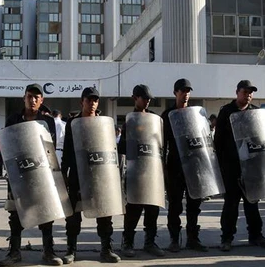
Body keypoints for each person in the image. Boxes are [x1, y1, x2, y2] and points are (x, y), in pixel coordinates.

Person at [0, 83, 62, 266]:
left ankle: (48, 251)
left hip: (41, 172)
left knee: (46, 212)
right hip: (17, 173)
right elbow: (6, 147)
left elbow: (50, 148)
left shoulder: (47, 121)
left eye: (37, 97)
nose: (33, 100)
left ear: (41, 100)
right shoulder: (13, 120)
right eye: (29, 96)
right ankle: (14, 252)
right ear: (24, 98)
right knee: (16, 214)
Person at [61, 87, 121, 264]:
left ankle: (106, 249)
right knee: (72, 215)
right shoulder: (72, 123)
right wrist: (64, 173)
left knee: (104, 212)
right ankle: (71, 250)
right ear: (82, 102)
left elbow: (110, 149)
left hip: (100, 173)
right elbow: (67, 151)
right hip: (77, 174)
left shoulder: (104, 123)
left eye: (95, 100)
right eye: (89, 100)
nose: (92, 103)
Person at [214, 80, 265, 251]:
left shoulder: (255, 112)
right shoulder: (226, 111)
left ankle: (256, 235)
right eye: (245, 92)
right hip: (231, 167)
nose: (248, 95)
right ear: (237, 92)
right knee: (231, 204)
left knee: (252, 203)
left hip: (251, 167)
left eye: (250, 93)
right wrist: (221, 166)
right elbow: (218, 141)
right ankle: (226, 238)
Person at [161, 79, 208, 253]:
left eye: (188, 90)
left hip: (194, 165)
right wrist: (163, 167)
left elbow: (203, 140)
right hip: (175, 165)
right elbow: (162, 143)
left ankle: (193, 238)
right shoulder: (167, 115)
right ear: (175, 93)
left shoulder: (196, 114)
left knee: (194, 204)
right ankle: (174, 239)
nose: (186, 93)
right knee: (174, 205)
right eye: (182, 90)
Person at [118, 84, 165, 257]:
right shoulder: (130, 120)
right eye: (143, 98)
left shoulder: (155, 119)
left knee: (153, 208)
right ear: (135, 98)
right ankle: (127, 242)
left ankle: (150, 242)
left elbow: (160, 145)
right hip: (135, 171)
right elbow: (122, 147)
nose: (147, 102)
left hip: (152, 171)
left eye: (149, 99)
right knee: (133, 210)